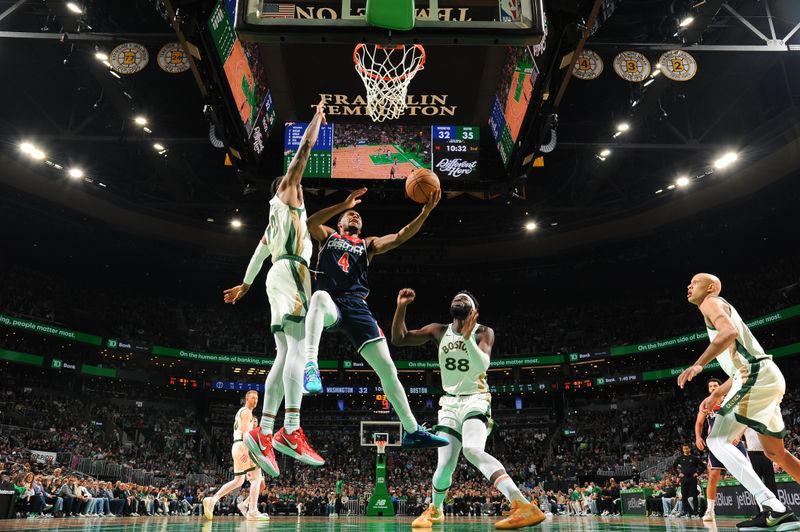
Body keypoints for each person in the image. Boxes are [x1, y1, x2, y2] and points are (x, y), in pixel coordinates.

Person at [302, 187, 448, 449]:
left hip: (358, 308)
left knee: (389, 370)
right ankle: (311, 366)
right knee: (318, 297)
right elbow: (311, 222)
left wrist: (425, 212)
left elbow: (401, 237)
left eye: (358, 215)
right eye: (350, 215)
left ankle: (412, 430)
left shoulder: (367, 244)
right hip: (331, 304)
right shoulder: (327, 236)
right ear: (340, 222)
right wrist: (343, 203)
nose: (355, 217)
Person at [225, 102, 327, 474]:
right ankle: (292, 428)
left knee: (284, 353)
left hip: (275, 276)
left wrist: (246, 284)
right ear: (285, 189)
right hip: (291, 274)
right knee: (300, 347)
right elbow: (301, 154)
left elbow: (257, 253)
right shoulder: (286, 194)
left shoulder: (275, 221)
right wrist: (315, 118)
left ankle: (265, 431)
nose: (301, 192)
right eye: (296, 188)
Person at [392, 288, 545, 529]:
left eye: (465, 299)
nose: (458, 299)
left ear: (474, 310)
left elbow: (483, 363)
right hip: (449, 402)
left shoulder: (483, 332)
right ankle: (435, 510)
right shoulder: (438, 331)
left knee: (472, 449)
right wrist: (401, 307)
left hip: (476, 397)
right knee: (444, 466)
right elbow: (399, 339)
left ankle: (522, 504)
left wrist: (465, 338)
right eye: (455, 298)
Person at [678, 273, 800, 529]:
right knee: (776, 452)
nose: (689, 286)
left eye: (695, 282)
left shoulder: (710, 303)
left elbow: (729, 333)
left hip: (756, 374)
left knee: (716, 440)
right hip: (766, 375)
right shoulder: (716, 307)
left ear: (710, 287)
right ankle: (774, 507)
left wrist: (698, 365)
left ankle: (773, 506)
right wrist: (716, 394)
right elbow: (737, 370)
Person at [203, 390, 269, 521]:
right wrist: (246, 450)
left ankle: (212, 500)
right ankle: (253, 511)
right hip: (243, 446)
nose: (255, 400)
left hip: (237, 446)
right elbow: (245, 432)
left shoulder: (242, 412)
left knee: (239, 480)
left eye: (256, 398)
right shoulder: (246, 411)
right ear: (246, 398)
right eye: (252, 398)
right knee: (256, 479)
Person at [695, 376, 749, 521]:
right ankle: (710, 510)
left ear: (721, 387)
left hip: (734, 441)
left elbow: (744, 420)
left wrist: (738, 436)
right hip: (716, 444)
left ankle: (763, 507)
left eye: (715, 386)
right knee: (713, 477)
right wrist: (698, 437)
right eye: (710, 386)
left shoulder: (732, 399)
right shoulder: (706, 404)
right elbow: (699, 423)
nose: (713, 388)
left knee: (748, 473)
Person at [672, 444, 704, 517]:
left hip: (692, 478)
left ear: (689, 449)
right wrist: (678, 474)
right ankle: (685, 511)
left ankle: (695, 511)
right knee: (684, 495)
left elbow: (703, 466)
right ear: (683, 449)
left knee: (694, 495)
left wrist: (698, 473)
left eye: (687, 449)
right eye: (684, 449)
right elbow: (674, 466)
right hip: (684, 479)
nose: (685, 450)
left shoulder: (694, 458)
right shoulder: (680, 458)